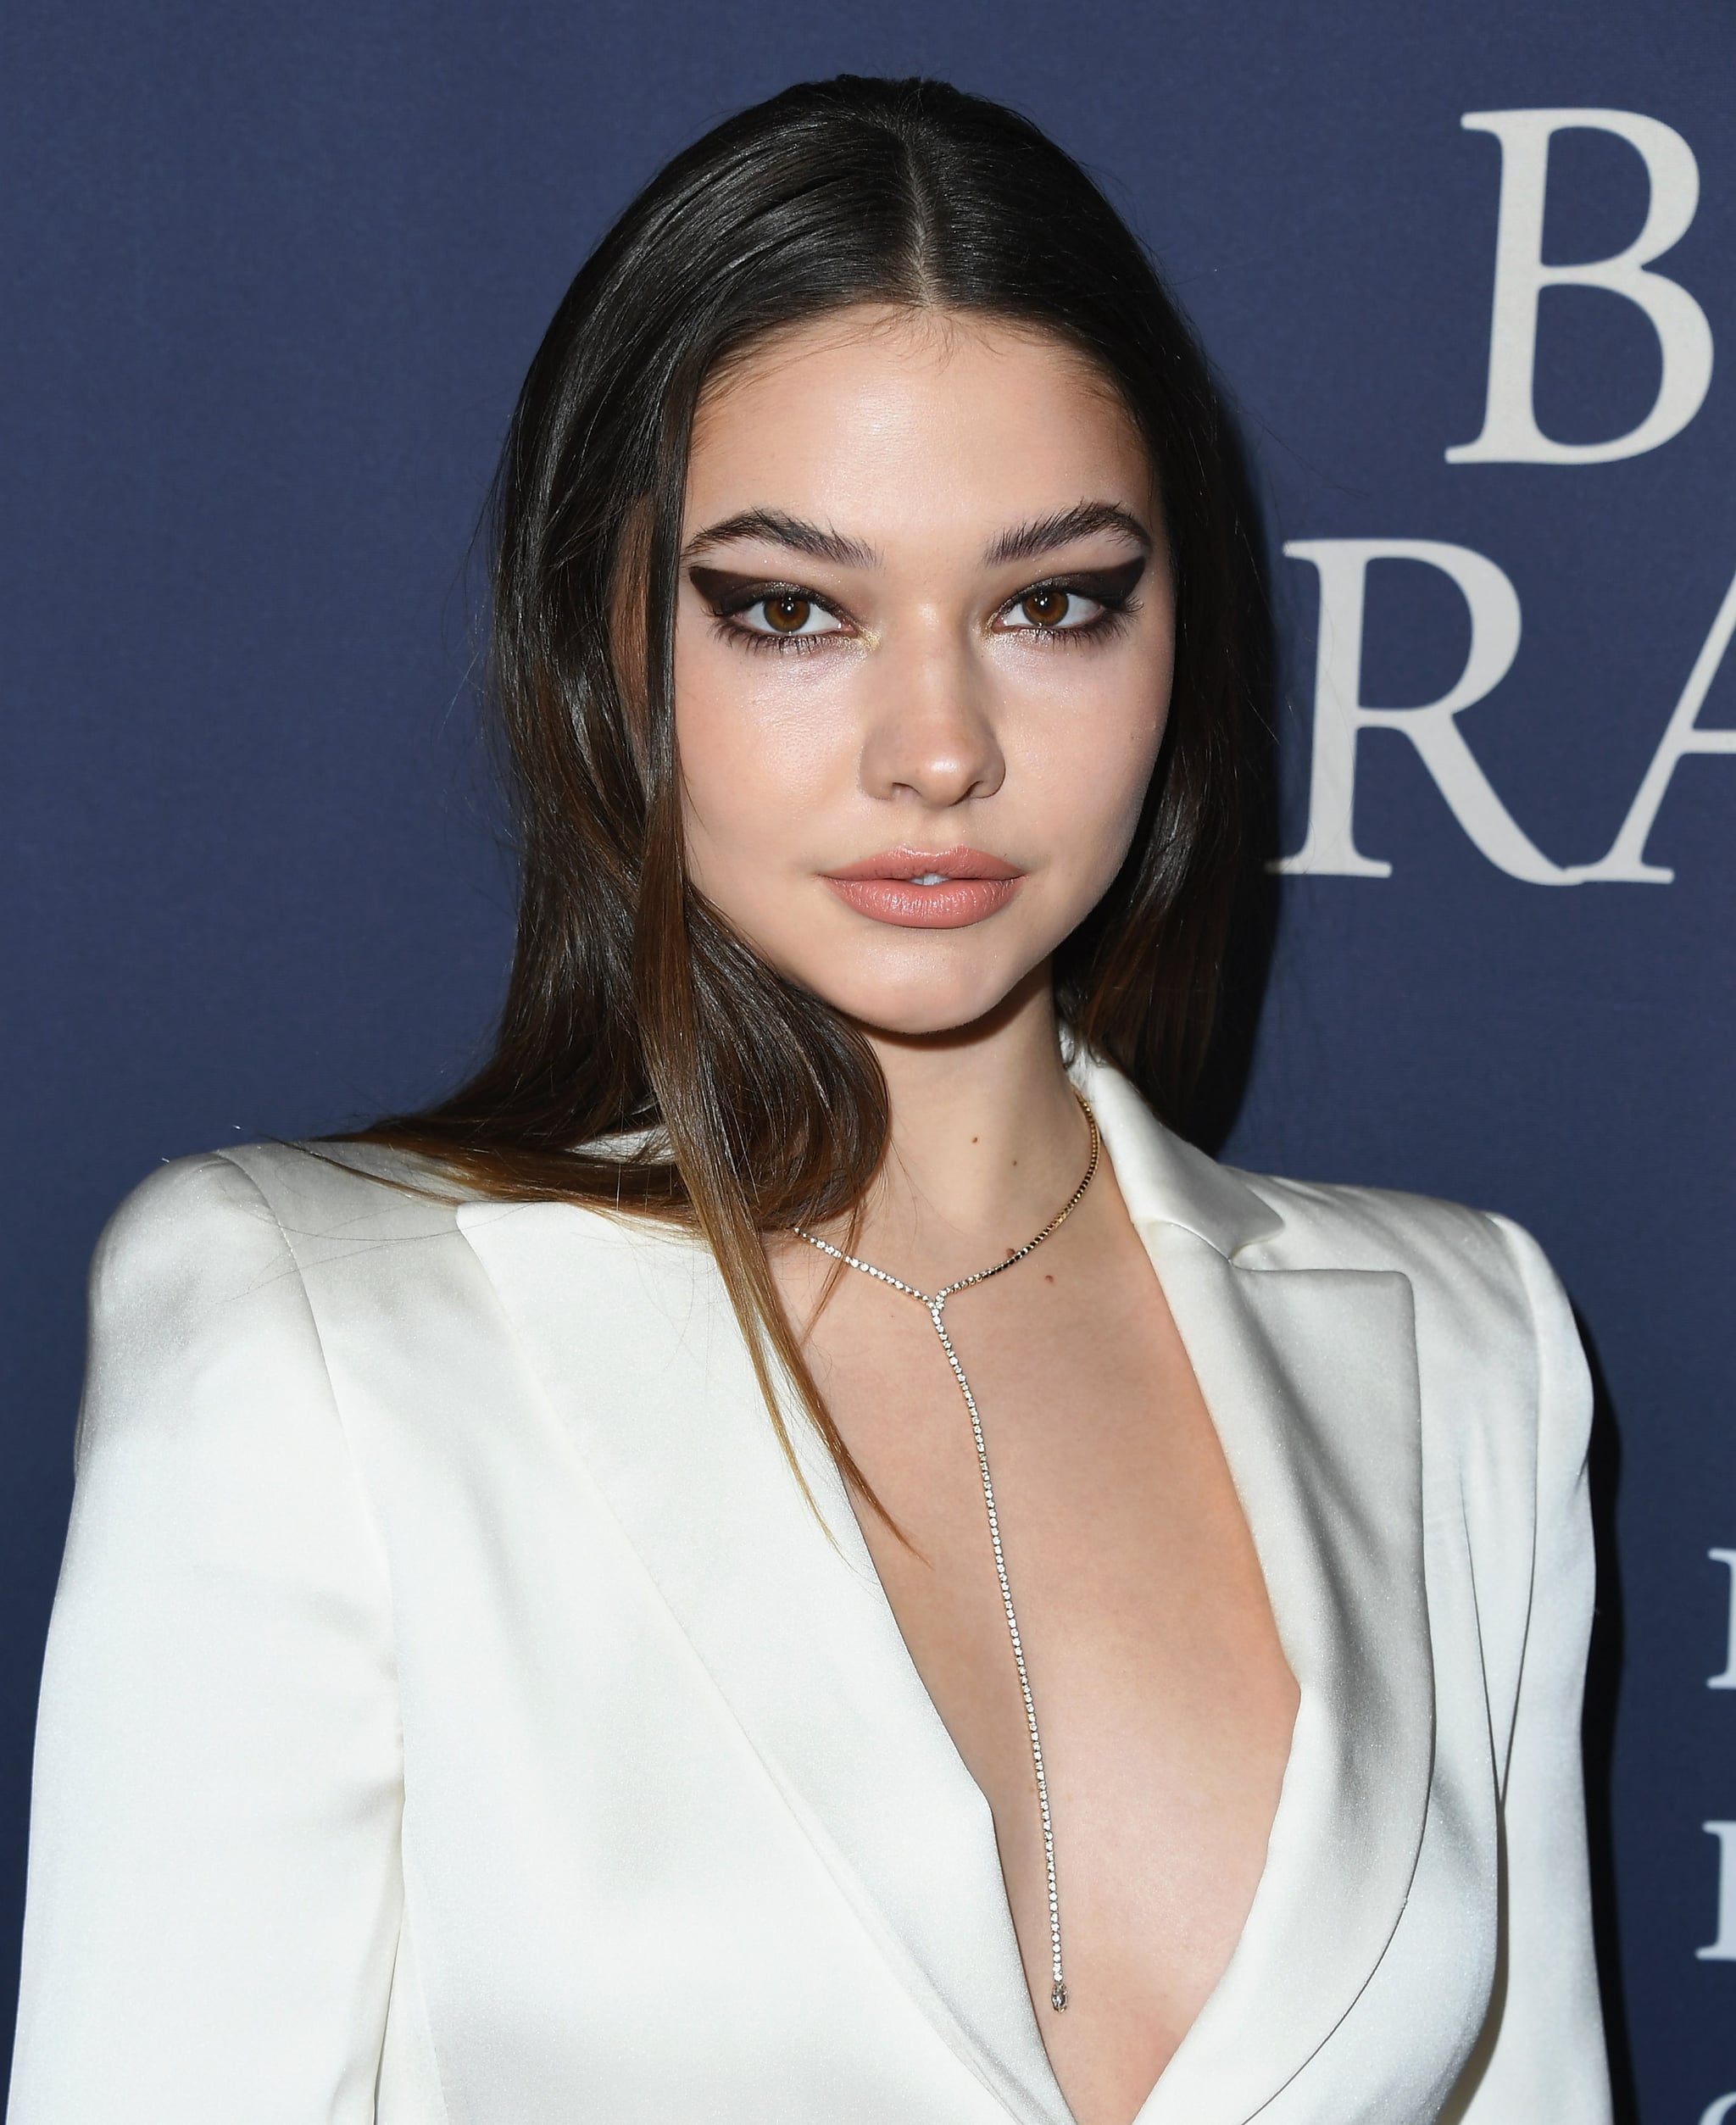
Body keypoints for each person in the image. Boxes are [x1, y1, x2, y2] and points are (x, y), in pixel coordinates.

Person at [8, 73, 1611, 2125]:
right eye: (788, 608)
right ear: (606, 638)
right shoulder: (311, 1327)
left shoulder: (1470, 1354)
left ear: (1180, 634)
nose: (933, 744)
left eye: (1052, 603)